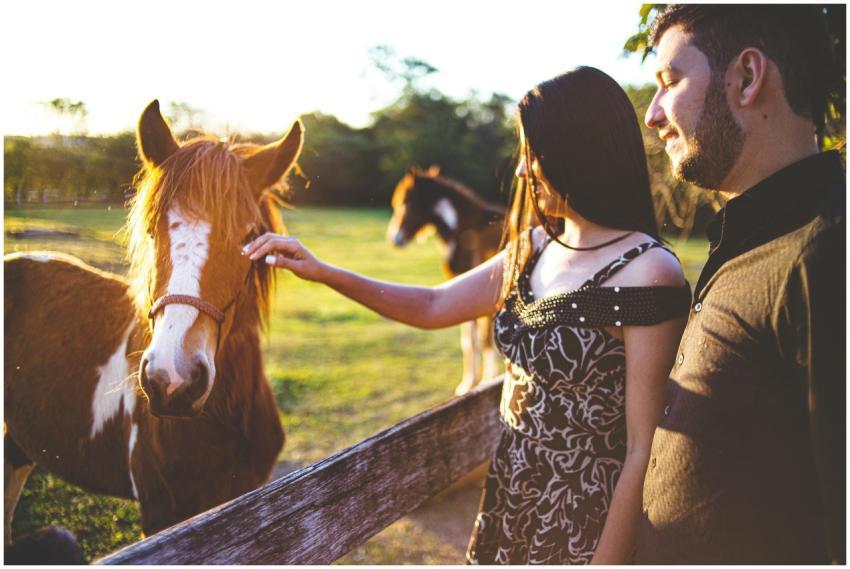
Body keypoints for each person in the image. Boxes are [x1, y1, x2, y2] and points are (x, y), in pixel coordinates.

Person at [243, 67, 691, 564]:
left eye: (533, 153)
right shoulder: (535, 246)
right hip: (510, 500)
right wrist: (324, 271)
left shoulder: (648, 272)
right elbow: (435, 305)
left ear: (577, 151)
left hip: (587, 520)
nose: (522, 170)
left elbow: (642, 447)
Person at [637, 5, 845, 564]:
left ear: (747, 78)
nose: (654, 114)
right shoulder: (747, 239)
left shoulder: (827, 254)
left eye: (670, 81)